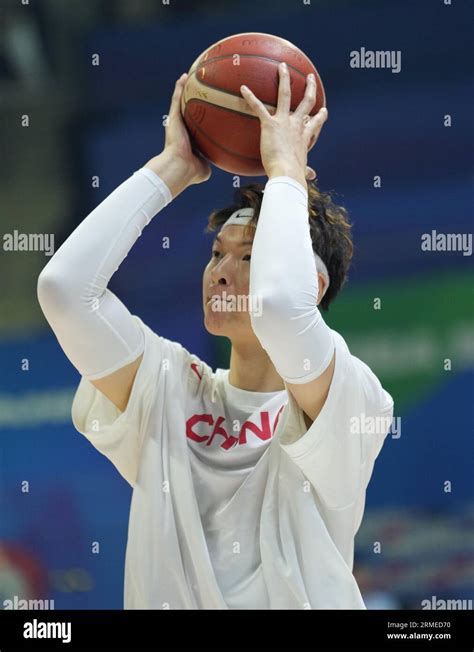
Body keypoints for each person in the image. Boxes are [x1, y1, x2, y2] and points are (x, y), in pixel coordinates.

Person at [37, 62, 393, 609]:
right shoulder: (170, 387)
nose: (220, 272)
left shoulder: (352, 399)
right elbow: (64, 289)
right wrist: (172, 168)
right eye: (215, 254)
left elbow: (279, 308)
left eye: (247, 256)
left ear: (314, 284)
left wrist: (286, 173)